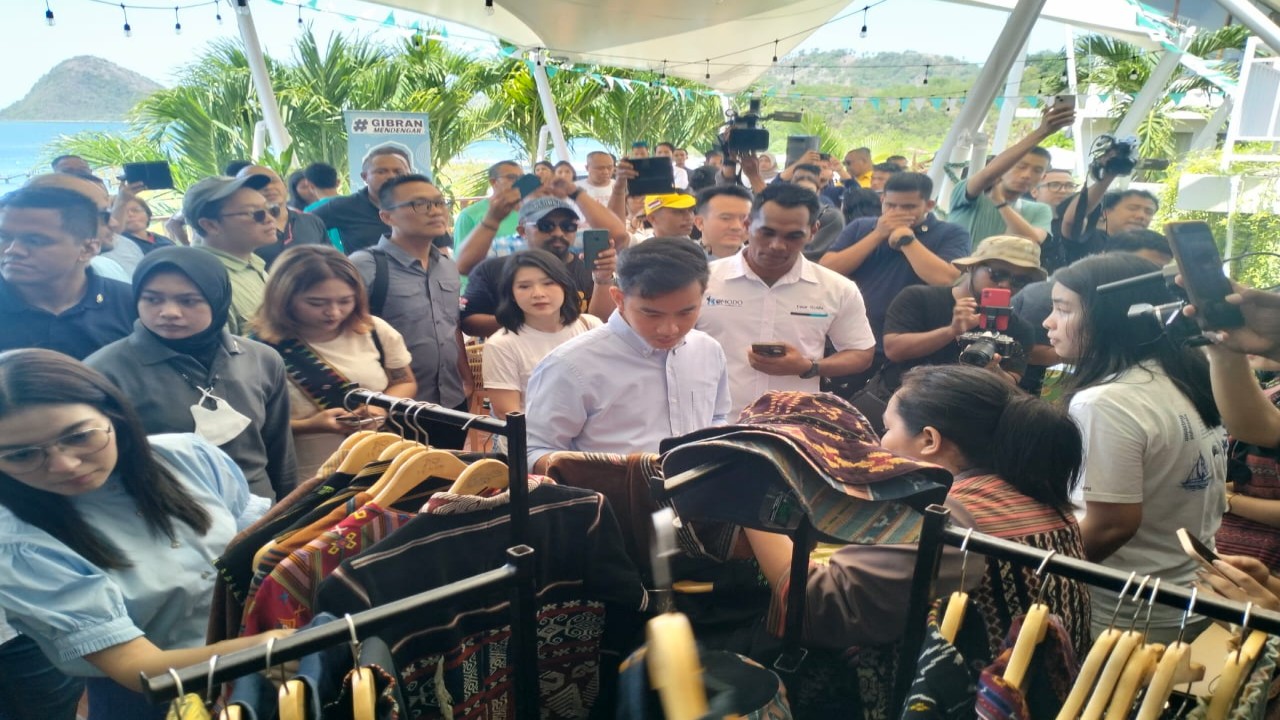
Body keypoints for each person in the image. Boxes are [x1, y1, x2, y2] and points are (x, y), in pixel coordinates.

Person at [743, 365, 1091, 709]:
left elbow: (819, 604)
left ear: (929, 440)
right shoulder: (1040, 498)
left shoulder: (944, 517)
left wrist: (752, 500)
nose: (879, 444)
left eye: (887, 428)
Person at [0, 349, 290, 719]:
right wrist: (265, 648)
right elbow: (136, 667)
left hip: (273, 669)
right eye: (22, 456)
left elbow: (259, 548)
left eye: (79, 437)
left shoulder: (187, 456)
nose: (64, 464)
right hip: (156, 699)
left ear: (113, 414)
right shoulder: (18, 543)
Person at [1046, 252, 1225, 641]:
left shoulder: (1105, 401)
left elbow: (1111, 525)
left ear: (1109, 317)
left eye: (1063, 309)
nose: (1049, 322)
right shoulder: (1185, 376)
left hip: (1124, 617)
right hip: (1188, 596)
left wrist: (1041, 578)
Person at [86, 247, 297, 501]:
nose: (169, 312)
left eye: (188, 300)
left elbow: (279, 448)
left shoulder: (261, 359)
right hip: (175, 522)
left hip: (261, 513)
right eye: (152, 299)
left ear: (217, 298)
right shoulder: (103, 372)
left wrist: (290, 511)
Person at [525, 237, 731, 471]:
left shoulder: (708, 350)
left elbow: (717, 417)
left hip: (696, 499)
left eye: (686, 312)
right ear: (619, 299)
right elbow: (534, 451)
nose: (669, 329)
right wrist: (606, 479)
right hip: (611, 504)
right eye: (651, 314)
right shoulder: (570, 366)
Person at [698, 183, 875, 418]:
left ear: (813, 231)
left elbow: (861, 353)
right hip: (712, 421)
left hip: (792, 428)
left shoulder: (837, 289)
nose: (777, 245)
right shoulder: (702, 281)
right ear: (748, 225)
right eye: (767, 232)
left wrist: (808, 367)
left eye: (793, 236)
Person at [250, 246, 416, 479]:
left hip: (381, 469)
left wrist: (379, 408)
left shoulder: (375, 330)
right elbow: (250, 422)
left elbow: (405, 382)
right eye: (316, 303)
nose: (333, 312)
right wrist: (310, 425)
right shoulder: (257, 350)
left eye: (345, 301)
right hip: (305, 476)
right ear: (283, 298)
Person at [859, 236, 1042, 431]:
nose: (1006, 285)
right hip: (895, 408)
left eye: (1020, 280)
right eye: (997, 274)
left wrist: (993, 371)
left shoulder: (1021, 328)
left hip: (959, 423)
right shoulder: (920, 297)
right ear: (971, 267)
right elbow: (894, 349)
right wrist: (951, 331)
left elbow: (1012, 383)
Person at [820, 172, 971, 394]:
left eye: (909, 207)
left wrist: (906, 239)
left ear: (929, 204)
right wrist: (877, 235)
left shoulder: (950, 233)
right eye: (891, 205)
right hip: (853, 342)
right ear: (882, 200)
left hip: (910, 347)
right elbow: (827, 270)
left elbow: (944, 278)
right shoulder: (862, 227)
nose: (897, 213)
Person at [350, 174, 471, 449]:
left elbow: (451, 326)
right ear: (387, 216)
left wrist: (466, 380)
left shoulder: (448, 266)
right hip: (390, 409)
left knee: (449, 487)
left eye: (440, 202)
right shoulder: (364, 266)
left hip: (450, 404)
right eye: (419, 204)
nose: (436, 211)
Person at [1013, 229, 1172, 397]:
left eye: (1157, 271)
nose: (1047, 322)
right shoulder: (1047, 296)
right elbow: (1032, 354)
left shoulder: (1102, 399)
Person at [0, 185, 136, 360]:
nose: (12, 250)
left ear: (87, 249)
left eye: (35, 240)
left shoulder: (132, 305)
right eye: (3, 237)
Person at [482, 249, 604, 444]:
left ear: (565, 285)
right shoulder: (502, 345)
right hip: (533, 447)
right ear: (511, 294)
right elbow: (508, 413)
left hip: (591, 441)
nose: (538, 294)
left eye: (548, 283)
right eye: (524, 286)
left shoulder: (590, 326)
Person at [460, 193, 619, 337]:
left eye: (568, 226)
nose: (558, 233)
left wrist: (603, 279)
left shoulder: (590, 268)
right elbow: (469, 323)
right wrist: (532, 325)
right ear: (522, 231)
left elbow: (603, 324)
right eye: (546, 226)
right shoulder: (493, 270)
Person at [948, 105, 1074, 247]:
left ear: (1043, 177)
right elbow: (988, 175)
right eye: (1020, 167)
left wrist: (1000, 203)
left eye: (1037, 170)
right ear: (1004, 167)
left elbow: (1034, 240)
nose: (1027, 175)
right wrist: (1042, 132)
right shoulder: (969, 193)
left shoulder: (1038, 210)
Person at [183, 174, 276, 334]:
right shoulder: (206, 281)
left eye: (271, 210)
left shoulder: (251, 262)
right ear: (211, 225)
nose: (270, 219)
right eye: (255, 213)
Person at [312, 143, 413, 255]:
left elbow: (436, 245)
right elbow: (301, 227)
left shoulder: (421, 206)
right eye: (381, 171)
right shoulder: (344, 206)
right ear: (365, 177)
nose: (391, 176)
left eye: (398, 172)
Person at [235, 165, 330, 266]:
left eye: (273, 180)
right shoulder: (241, 230)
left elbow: (331, 261)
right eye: (257, 184)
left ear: (284, 185)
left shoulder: (311, 221)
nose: (268, 187)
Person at [1056, 189, 1159, 267]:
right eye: (1132, 208)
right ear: (1104, 213)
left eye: (1149, 212)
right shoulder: (1087, 237)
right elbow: (1072, 221)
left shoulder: (1147, 249)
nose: (1141, 216)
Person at [454, 161, 522, 258]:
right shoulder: (470, 215)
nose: (519, 181)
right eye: (511, 177)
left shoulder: (531, 212)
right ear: (493, 182)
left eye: (522, 178)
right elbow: (460, 260)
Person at [789, 176, 846, 260]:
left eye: (810, 191)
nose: (804, 196)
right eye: (798, 191)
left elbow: (814, 253)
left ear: (818, 192)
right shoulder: (782, 215)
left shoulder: (831, 217)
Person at [693, 185, 751, 260]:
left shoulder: (762, 264)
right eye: (726, 218)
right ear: (700, 223)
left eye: (745, 219)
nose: (737, 227)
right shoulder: (680, 259)